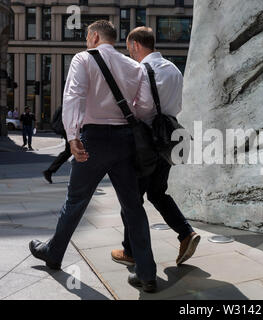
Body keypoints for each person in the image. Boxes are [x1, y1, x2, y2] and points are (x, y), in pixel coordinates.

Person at [29, 20, 159, 293]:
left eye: (88, 37)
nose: (86, 42)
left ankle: (53, 253)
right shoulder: (135, 66)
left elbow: (73, 95)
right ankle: (147, 274)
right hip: (125, 142)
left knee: (76, 200)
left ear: (94, 36)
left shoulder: (83, 59)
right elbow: (145, 107)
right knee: (133, 207)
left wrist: (73, 135)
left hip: (93, 139)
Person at [110, 26, 201, 268]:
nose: (130, 53)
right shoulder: (172, 68)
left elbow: (142, 109)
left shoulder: (141, 70)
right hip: (167, 140)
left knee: (132, 198)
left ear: (136, 45)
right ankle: (186, 233)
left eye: (130, 48)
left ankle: (131, 251)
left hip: (145, 144)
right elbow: (178, 105)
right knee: (158, 192)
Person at [42, 106, 71, 184]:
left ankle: (50, 171)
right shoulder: (70, 104)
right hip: (69, 130)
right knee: (74, 151)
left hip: (66, 130)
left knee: (69, 152)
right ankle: (49, 171)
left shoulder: (63, 105)